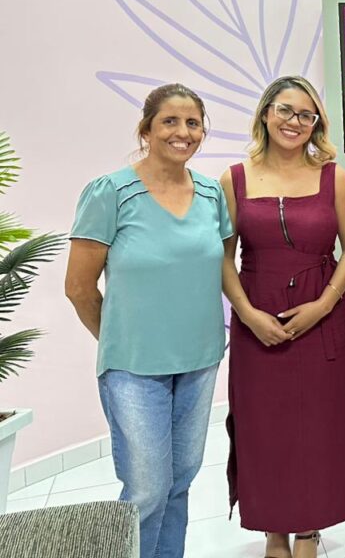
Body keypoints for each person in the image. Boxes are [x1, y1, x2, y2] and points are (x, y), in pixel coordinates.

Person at [64, 83, 233, 558]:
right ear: (147, 129)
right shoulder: (110, 193)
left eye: (193, 123)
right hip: (134, 369)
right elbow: (78, 288)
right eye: (170, 122)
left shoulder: (208, 194)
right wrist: (121, 342)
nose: (183, 132)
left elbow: (221, 267)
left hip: (199, 361)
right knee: (145, 490)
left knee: (180, 482)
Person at [220, 76, 345, 558]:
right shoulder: (234, 178)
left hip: (323, 322)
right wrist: (247, 313)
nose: (294, 122)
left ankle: (309, 530)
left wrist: (325, 304)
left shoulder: (333, 176)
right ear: (265, 113)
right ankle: (273, 531)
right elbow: (222, 256)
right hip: (256, 322)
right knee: (264, 430)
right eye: (285, 110)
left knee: (321, 429)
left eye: (306, 115)